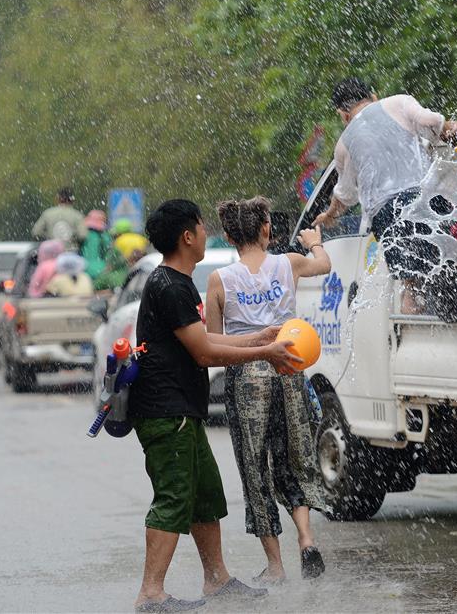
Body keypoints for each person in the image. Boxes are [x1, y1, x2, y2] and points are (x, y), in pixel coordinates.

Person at [127, 199, 302, 612]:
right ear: (187, 236)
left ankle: (216, 579)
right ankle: (151, 593)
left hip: (183, 411)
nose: (208, 232)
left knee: (206, 494)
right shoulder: (170, 286)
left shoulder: (177, 282)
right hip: (165, 413)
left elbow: (204, 339)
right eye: (202, 226)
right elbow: (205, 354)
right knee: (174, 496)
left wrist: (260, 337)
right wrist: (265, 353)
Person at [206, 197, 330, 584]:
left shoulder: (219, 280)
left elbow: (214, 341)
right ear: (266, 229)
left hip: (247, 376)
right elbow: (324, 265)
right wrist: (314, 242)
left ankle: (275, 566)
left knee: (255, 467)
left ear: (228, 237)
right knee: (294, 457)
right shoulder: (288, 263)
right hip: (289, 368)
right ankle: (306, 540)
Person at [311, 78, 457, 313]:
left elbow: (345, 195)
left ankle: (410, 319)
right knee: (456, 256)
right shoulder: (398, 102)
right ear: (373, 96)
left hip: (387, 217)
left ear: (343, 114)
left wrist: (329, 215)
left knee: (411, 286)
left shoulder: (343, 145)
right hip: (423, 199)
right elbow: (431, 122)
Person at [31, 186, 87, 250]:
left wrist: (49, 238)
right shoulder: (78, 216)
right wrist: (73, 241)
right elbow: (83, 236)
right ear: (72, 200)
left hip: (52, 252)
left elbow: (36, 232)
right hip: (71, 252)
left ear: (58, 198)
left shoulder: (47, 213)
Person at [81, 210, 112, 280]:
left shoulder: (83, 234)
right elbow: (108, 251)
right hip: (100, 268)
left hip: (84, 267)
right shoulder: (104, 236)